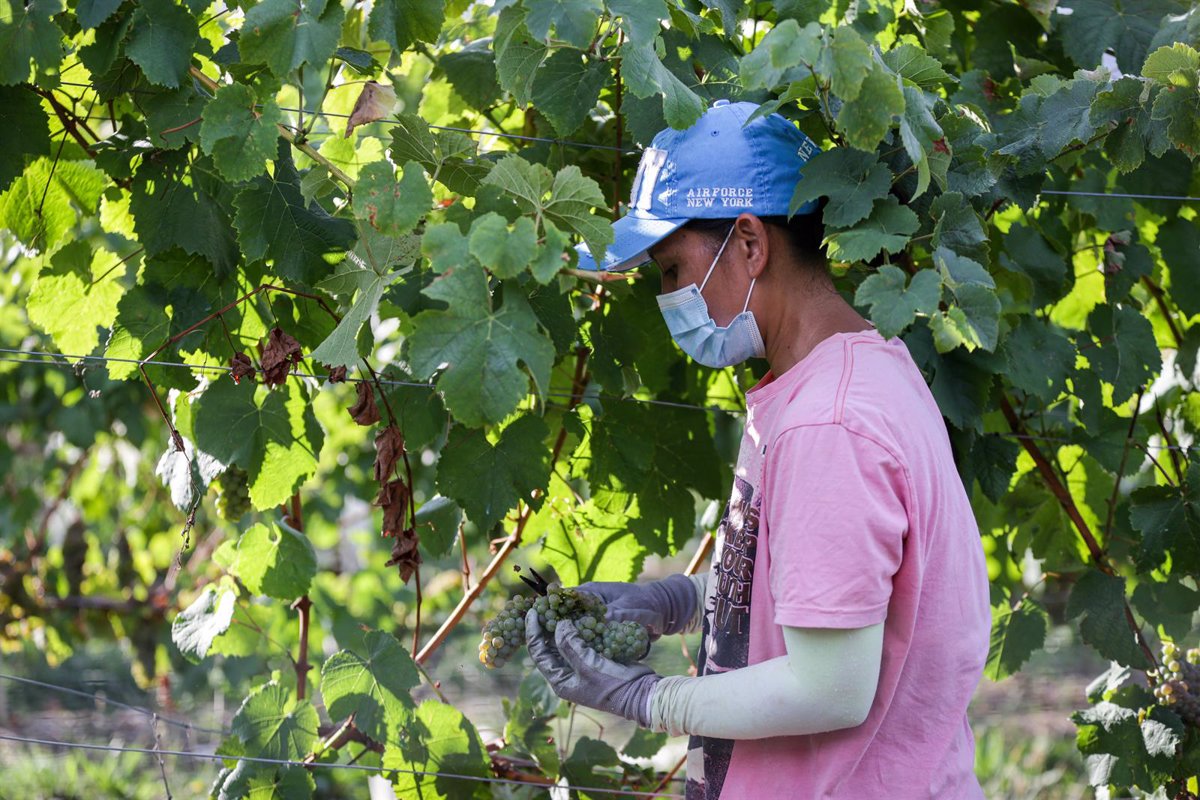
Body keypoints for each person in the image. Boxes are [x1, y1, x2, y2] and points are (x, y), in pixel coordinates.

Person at [523, 99, 992, 799]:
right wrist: (675, 600)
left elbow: (829, 686)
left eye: (673, 271)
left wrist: (652, 700)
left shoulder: (828, 425)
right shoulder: (856, 374)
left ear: (749, 243)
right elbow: (832, 597)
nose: (669, 297)